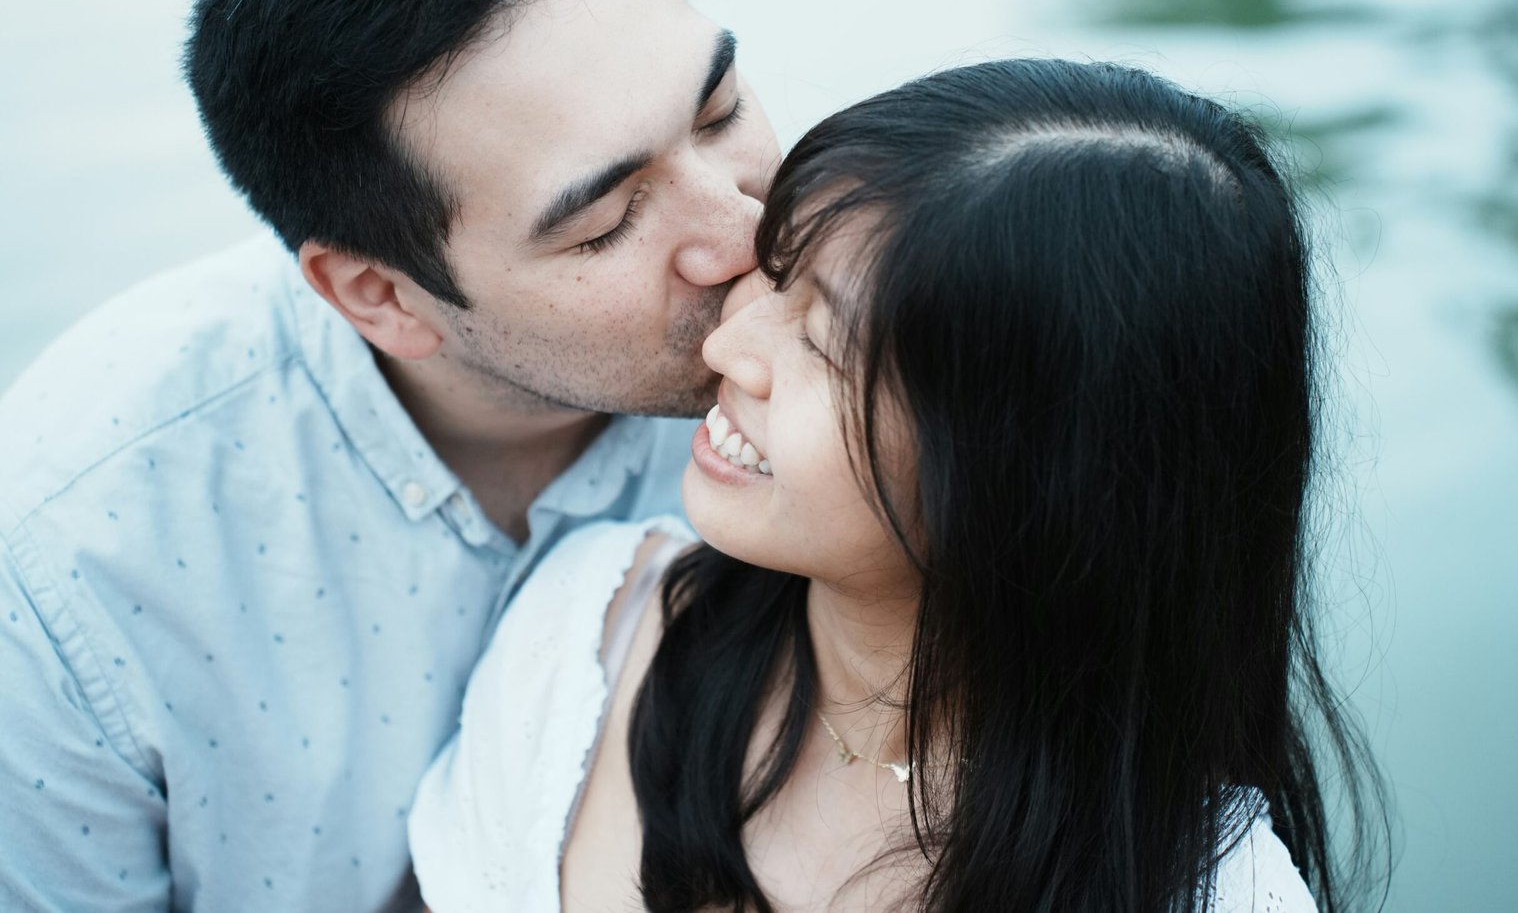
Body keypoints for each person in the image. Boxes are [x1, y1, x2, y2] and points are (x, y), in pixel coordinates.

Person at [410, 59, 1388, 911]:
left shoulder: (1215, 889)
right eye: (775, 271)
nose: (725, 344)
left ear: (1032, 472)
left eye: (824, 341)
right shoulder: (586, 635)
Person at [0, 0, 779, 909]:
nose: (743, 236)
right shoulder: (67, 568)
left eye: (721, 109)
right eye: (607, 221)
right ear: (379, 295)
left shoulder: (880, 324)